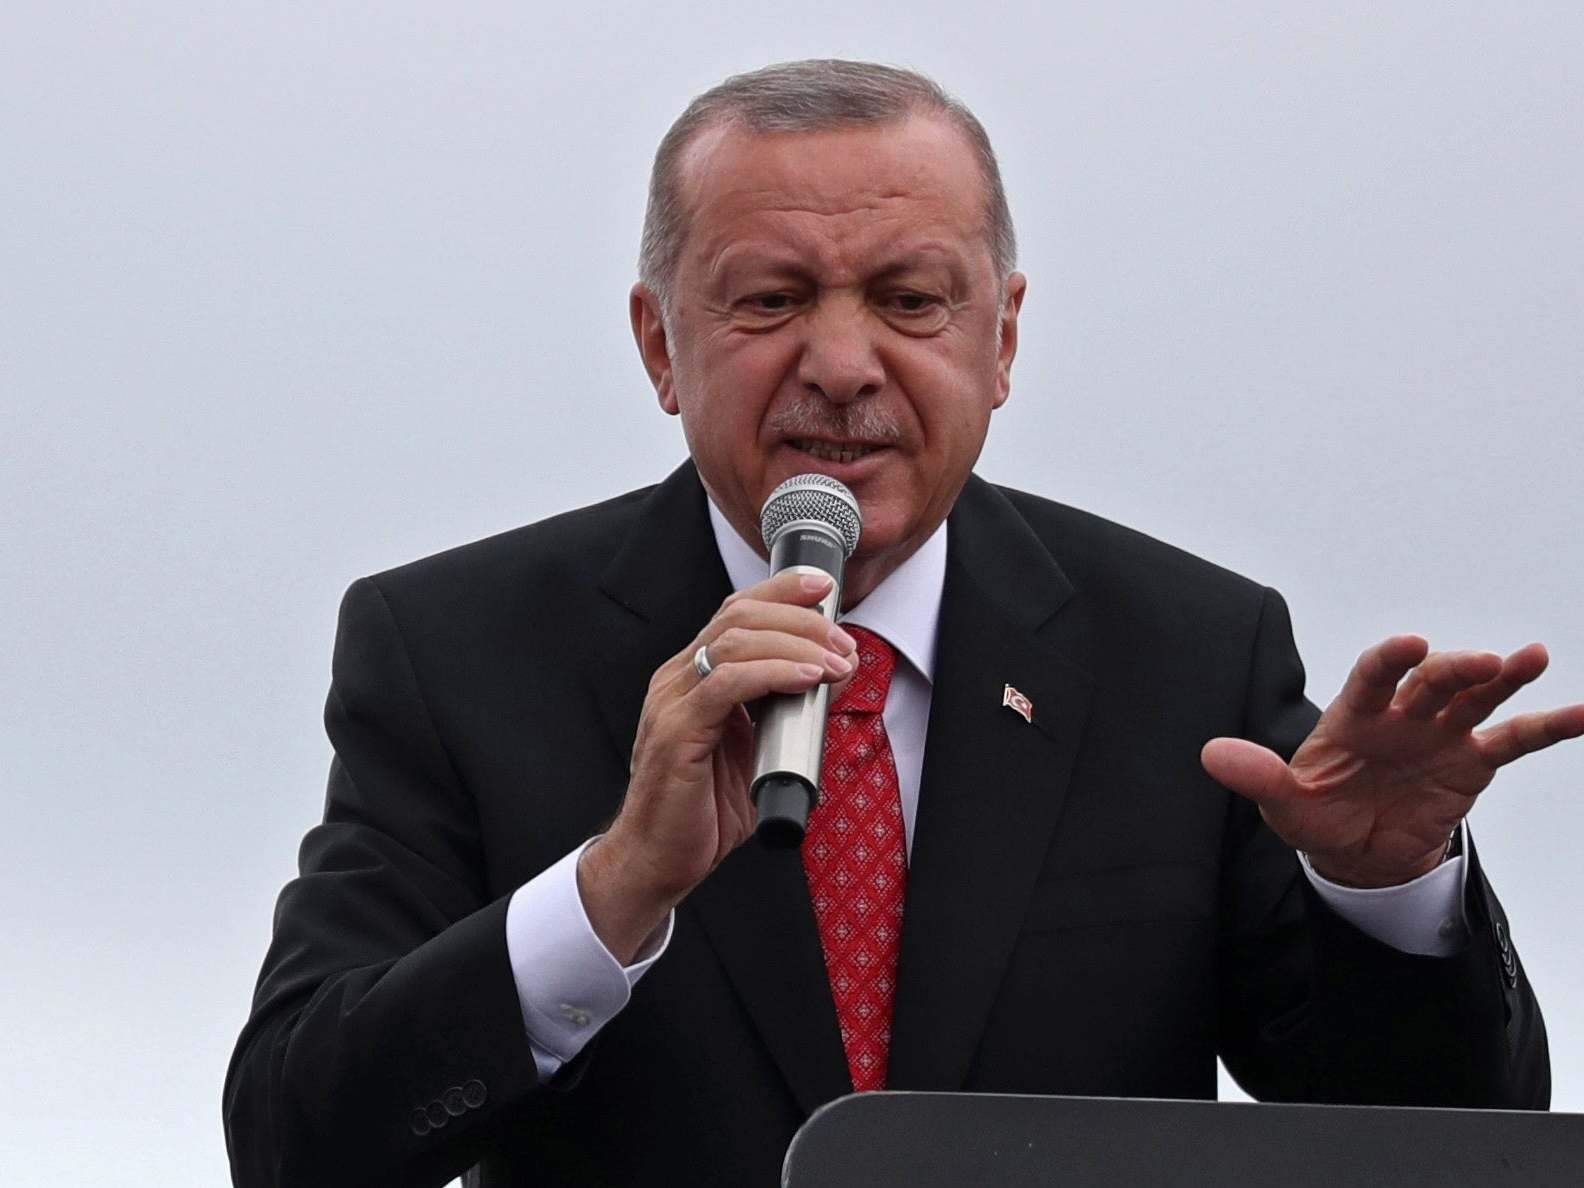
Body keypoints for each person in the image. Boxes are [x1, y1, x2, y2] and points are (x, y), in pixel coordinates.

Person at [224, 60, 1577, 1188]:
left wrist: (1392, 896)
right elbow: (295, 1136)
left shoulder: (1189, 651)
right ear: (658, 345)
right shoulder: (455, 650)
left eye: (909, 301)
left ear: (1002, 340)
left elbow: (1440, 1139)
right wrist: (611, 891)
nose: (842, 364)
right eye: (770, 301)